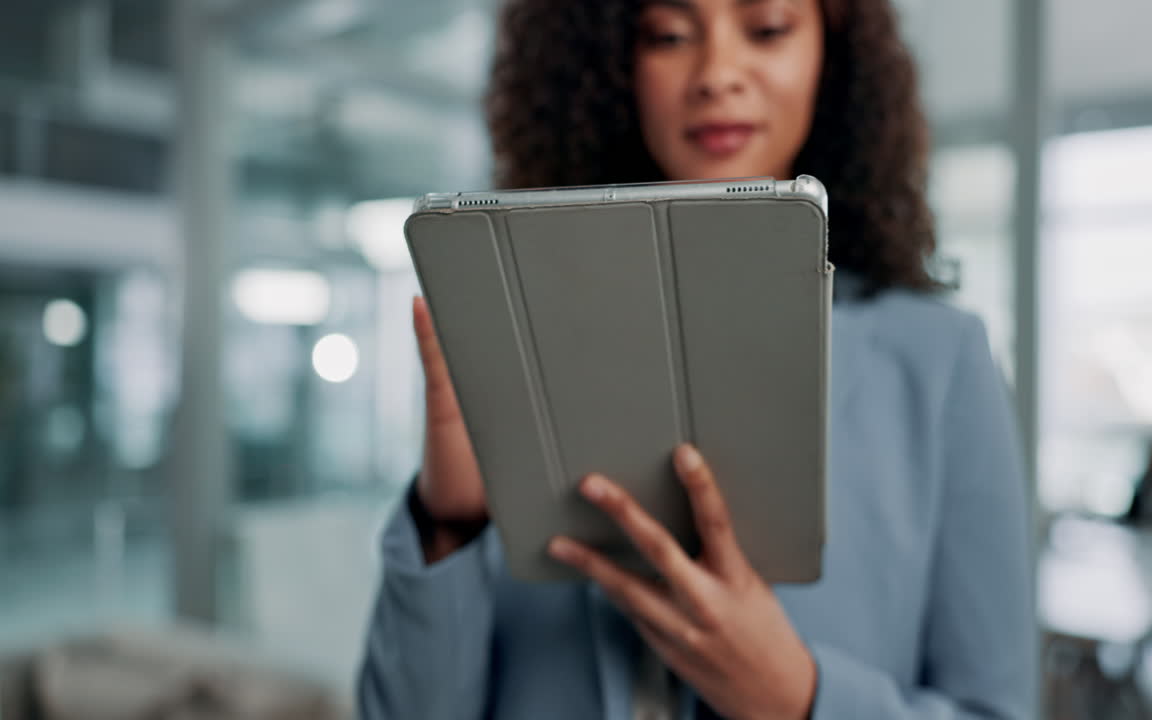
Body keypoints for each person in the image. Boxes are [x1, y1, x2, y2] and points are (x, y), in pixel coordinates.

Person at [359, 0, 1035, 718]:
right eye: (670, 36)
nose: (716, 74)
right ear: (613, 69)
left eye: (768, 27)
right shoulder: (519, 333)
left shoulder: (939, 363)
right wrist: (449, 524)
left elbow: (997, 707)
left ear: (832, 60)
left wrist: (799, 699)